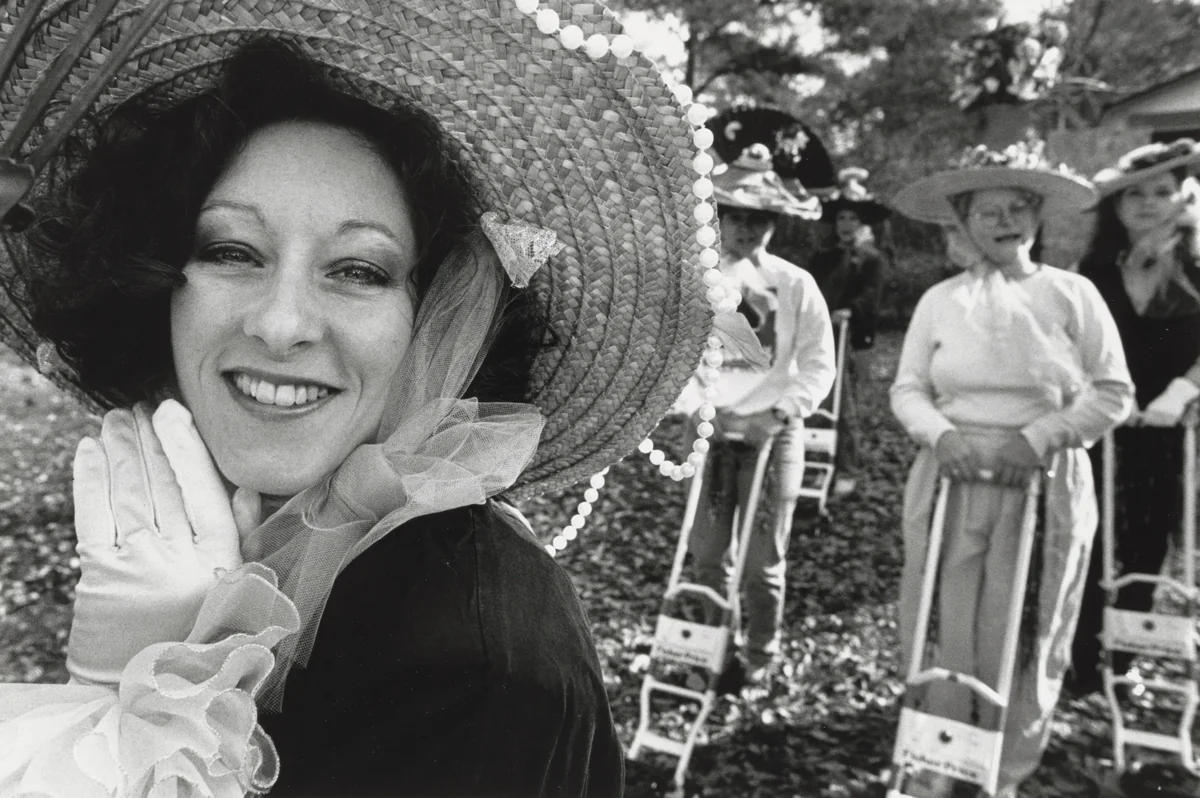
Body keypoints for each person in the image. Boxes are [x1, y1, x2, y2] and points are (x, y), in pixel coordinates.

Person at [0, 2, 715, 795]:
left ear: (440, 312)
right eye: (232, 251)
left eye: (359, 270)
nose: (280, 324)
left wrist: (130, 717)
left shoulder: (467, 666)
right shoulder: (250, 546)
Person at [889, 142, 1134, 796]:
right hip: (951, 477)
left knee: (1028, 621)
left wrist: (1042, 436)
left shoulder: (1071, 293)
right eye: (987, 210)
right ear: (962, 222)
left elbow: (1113, 390)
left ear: (1037, 217)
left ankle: (1004, 768)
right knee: (945, 612)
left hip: (1042, 479)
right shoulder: (941, 300)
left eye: (1018, 207)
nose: (1004, 220)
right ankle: (939, 754)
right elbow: (908, 387)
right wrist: (941, 435)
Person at [676, 143, 835, 685]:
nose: (747, 230)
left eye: (760, 219)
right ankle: (709, 648)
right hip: (712, 430)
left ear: (776, 222)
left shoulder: (795, 284)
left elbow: (818, 364)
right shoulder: (698, 278)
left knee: (762, 557)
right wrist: (701, 409)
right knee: (707, 551)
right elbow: (673, 360)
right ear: (719, 216)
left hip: (772, 433)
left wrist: (783, 412)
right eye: (737, 216)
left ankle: (760, 652)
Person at [1068, 139, 1200, 697]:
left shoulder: (1197, 261)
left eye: (1162, 192)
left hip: (1172, 421)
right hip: (1104, 420)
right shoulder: (1094, 268)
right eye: (1135, 195)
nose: (1148, 203)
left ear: (1183, 196)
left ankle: (1124, 658)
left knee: (1151, 538)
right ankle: (1079, 652)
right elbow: (1071, 342)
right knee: (1090, 533)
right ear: (1116, 207)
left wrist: (1183, 390)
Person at [807, 166, 891, 498]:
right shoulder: (822, 257)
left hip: (848, 340)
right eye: (841, 219)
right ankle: (812, 458)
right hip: (818, 334)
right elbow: (809, 289)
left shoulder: (872, 258)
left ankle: (848, 467)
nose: (845, 226)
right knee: (814, 396)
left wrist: (851, 311)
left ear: (862, 223)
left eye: (852, 220)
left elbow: (872, 296)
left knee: (844, 402)